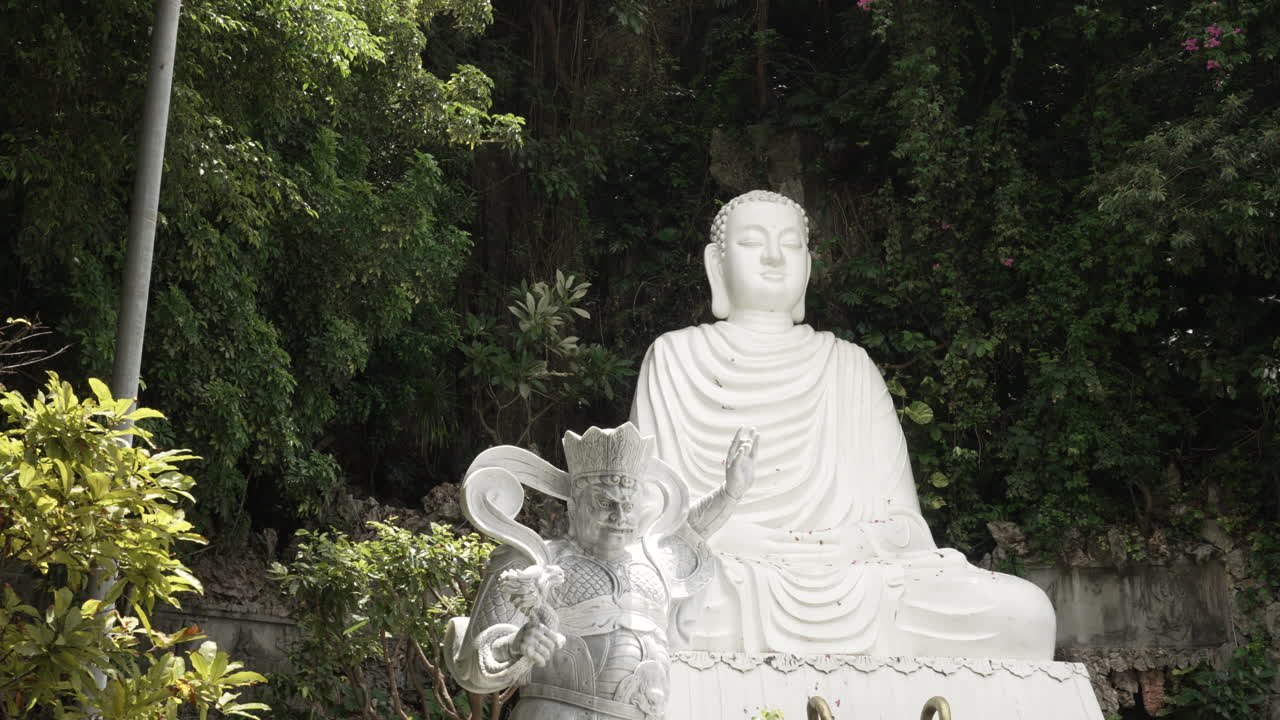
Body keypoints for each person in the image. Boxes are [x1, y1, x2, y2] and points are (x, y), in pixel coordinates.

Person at [629, 190, 1056, 659]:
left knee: (1025, 613)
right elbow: (647, 515)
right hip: (725, 574)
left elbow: (906, 527)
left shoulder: (849, 367)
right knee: (635, 604)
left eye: (790, 244)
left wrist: (846, 543)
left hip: (856, 577)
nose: (774, 257)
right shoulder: (674, 358)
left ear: (807, 268)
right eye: (753, 243)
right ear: (717, 264)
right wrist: (730, 533)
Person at [446, 423, 759, 720]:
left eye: (628, 503)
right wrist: (514, 643)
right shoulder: (535, 560)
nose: (619, 515)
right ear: (574, 506)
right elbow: (471, 665)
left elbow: (692, 530)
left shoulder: (651, 564)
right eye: (604, 502)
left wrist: (731, 492)